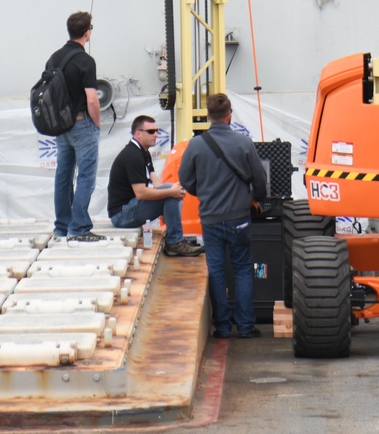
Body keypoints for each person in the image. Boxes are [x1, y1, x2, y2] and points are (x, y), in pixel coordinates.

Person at [178, 93, 265, 339]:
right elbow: (259, 180)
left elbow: (186, 181)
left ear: (208, 116)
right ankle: (246, 327)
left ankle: (223, 327)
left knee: (215, 271)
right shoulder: (243, 142)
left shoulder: (196, 144)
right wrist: (256, 197)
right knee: (242, 269)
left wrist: (203, 192)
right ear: (229, 116)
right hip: (240, 218)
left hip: (211, 219)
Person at [107, 115, 204, 257]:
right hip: (121, 215)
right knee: (169, 194)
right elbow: (141, 193)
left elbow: (157, 183)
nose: (156, 134)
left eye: (157, 130)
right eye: (151, 131)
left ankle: (175, 239)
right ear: (138, 133)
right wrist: (171, 191)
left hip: (129, 208)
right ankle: (175, 242)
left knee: (170, 191)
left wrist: (174, 188)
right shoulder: (132, 155)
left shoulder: (143, 152)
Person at [47, 11, 103, 241]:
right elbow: (92, 98)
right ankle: (79, 227)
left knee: (63, 175)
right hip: (81, 123)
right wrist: (96, 123)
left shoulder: (54, 58)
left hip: (61, 125)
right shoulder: (85, 61)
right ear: (87, 32)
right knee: (86, 175)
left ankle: (62, 226)